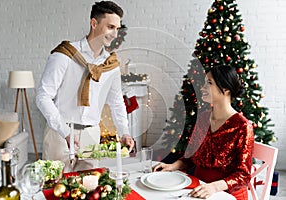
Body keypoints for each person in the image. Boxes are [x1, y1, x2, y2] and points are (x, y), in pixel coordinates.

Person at [36, 1, 134, 172]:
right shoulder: (65, 54)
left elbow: (117, 101)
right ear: (94, 23)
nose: (114, 34)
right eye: (110, 27)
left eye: (117, 28)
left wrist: (124, 132)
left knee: (88, 188)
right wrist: (64, 132)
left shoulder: (110, 64)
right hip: (60, 133)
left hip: (91, 136)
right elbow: (43, 96)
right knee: (53, 189)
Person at [153, 65, 254, 200]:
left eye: (209, 83)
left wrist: (213, 187)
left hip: (226, 194)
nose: (202, 87)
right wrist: (173, 166)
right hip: (199, 187)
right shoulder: (203, 118)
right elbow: (191, 156)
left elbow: (243, 175)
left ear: (226, 89)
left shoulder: (242, 126)